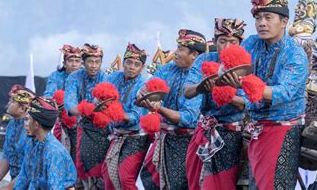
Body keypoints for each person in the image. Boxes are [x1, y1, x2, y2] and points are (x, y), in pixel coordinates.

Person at [240, 0, 309, 189]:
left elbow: (284, 92)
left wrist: (246, 83)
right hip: (257, 127)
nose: (262, 23)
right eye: (258, 18)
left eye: (268, 18)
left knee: (274, 185)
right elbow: (234, 66)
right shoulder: (251, 43)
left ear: (284, 21)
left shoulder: (295, 54)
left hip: (283, 130)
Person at [184, 18, 248, 190]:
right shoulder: (204, 59)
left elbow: (245, 103)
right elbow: (187, 91)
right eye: (222, 41)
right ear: (215, 41)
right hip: (203, 131)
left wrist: (226, 96)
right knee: (194, 183)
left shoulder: (246, 63)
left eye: (233, 42)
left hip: (231, 135)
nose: (227, 47)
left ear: (240, 44)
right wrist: (200, 87)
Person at [139, 29, 207, 189]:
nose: (175, 53)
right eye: (177, 48)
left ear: (194, 55)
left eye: (181, 50)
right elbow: (147, 87)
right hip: (165, 137)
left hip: (186, 141)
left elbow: (188, 118)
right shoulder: (167, 69)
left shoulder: (199, 77)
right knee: (148, 176)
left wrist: (160, 108)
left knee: (178, 184)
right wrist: (143, 93)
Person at [102, 43, 149, 190]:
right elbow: (98, 97)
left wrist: (114, 113)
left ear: (142, 68)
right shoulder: (112, 78)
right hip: (116, 135)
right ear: (123, 63)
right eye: (128, 62)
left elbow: (135, 117)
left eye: (136, 64)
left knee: (125, 177)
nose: (131, 67)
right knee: (107, 174)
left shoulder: (143, 85)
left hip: (136, 137)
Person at [63, 43, 107, 189]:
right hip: (84, 127)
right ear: (84, 62)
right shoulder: (74, 78)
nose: (93, 65)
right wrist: (87, 110)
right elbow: (69, 105)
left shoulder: (107, 78)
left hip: (106, 130)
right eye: (90, 61)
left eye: (97, 62)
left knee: (103, 171)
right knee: (82, 165)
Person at [14, 96, 76, 189]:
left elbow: (55, 187)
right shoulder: (33, 145)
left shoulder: (54, 152)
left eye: (28, 119)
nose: (26, 123)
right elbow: (23, 179)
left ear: (36, 124)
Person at [0, 85, 36, 188]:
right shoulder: (11, 123)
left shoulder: (32, 128)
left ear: (22, 109)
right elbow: (7, 156)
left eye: (13, 102)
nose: (8, 103)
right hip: (15, 182)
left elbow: (29, 169)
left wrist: (8, 188)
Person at [44, 44, 82, 163]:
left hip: (83, 124)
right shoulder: (56, 76)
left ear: (81, 64)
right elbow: (49, 95)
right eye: (70, 61)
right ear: (64, 63)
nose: (74, 64)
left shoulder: (85, 77)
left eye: (77, 61)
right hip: (61, 123)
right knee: (61, 158)